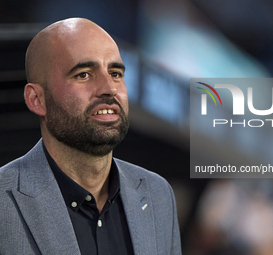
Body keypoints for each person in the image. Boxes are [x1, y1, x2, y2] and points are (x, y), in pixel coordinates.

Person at [0, 17, 181, 255]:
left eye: (115, 73)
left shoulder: (158, 194)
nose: (109, 88)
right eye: (84, 74)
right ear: (37, 100)